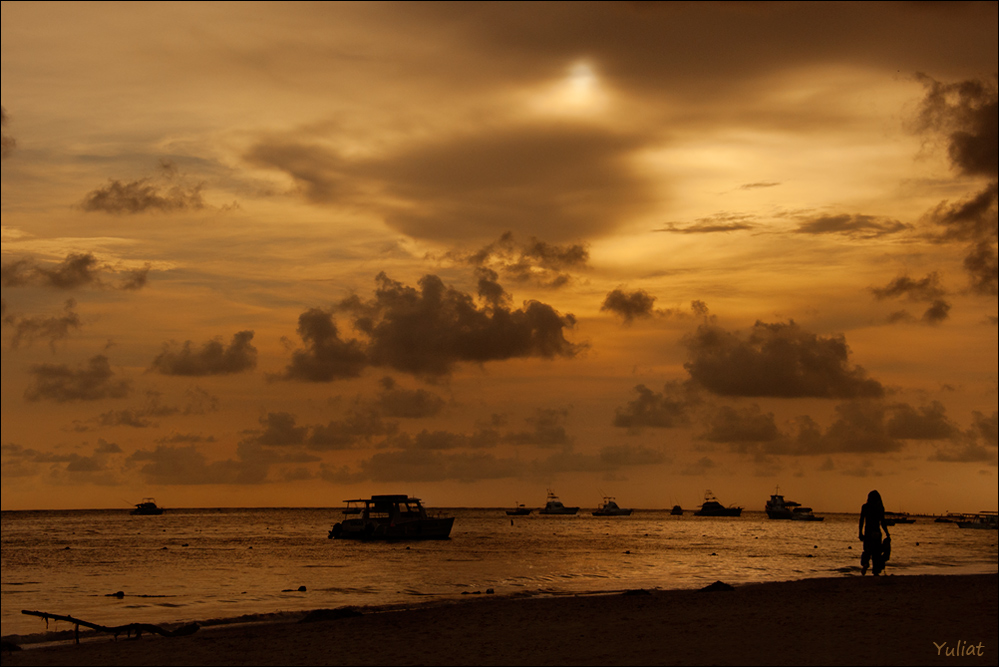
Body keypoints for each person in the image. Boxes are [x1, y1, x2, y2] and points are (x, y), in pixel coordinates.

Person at [858, 490, 890, 576]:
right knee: (876, 554)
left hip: (868, 532)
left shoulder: (865, 507)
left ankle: (865, 564)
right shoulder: (880, 508)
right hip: (877, 532)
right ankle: (876, 571)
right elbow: (882, 522)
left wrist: (860, 533)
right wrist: (887, 533)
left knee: (867, 551)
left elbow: (861, 521)